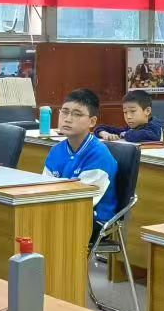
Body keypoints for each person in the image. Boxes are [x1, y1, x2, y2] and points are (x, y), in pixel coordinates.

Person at [43, 88, 119, 232]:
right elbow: (44, 188)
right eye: (64, 112)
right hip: (61, 211)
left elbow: (82, 201)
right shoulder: (56, 150)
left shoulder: (99, 155)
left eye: (77, 114)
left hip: (91, 219)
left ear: (92, 121)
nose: (68, 118)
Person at [95, 90, 163, 144]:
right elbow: (100, 128)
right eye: (125, 112)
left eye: (133, 111)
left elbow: (137, 135)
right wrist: (104, 133)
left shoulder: (156, 128)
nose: (128, 116)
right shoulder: (134, 127)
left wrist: (124, 134)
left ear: (147, 111)